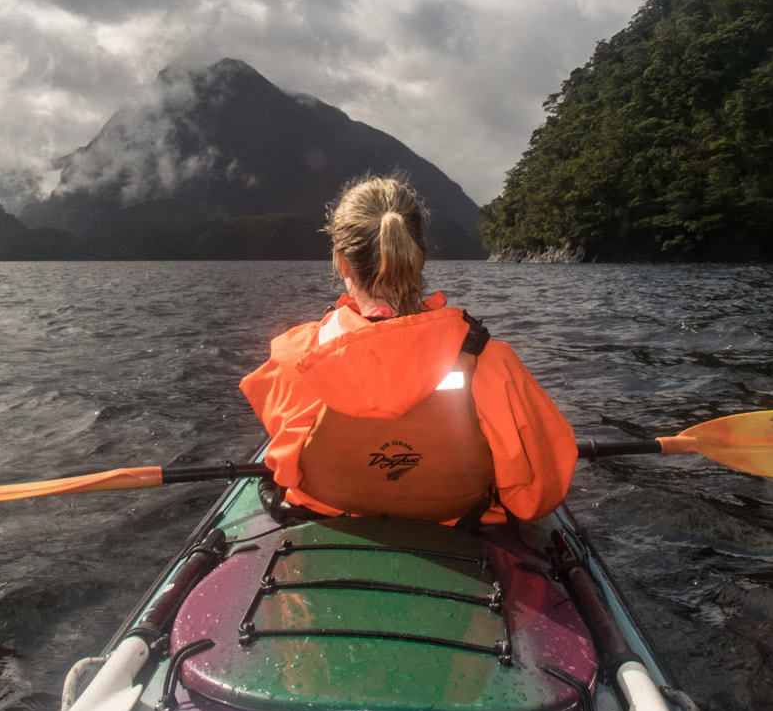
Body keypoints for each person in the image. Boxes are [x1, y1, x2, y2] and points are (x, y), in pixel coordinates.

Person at [239, 173, 579, 523]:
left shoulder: (294, 356)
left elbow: (282, 461)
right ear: (418, 256)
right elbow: (539, 495)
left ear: (342, 262)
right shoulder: (489, 362)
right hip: (463, 522)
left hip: (327, 514)